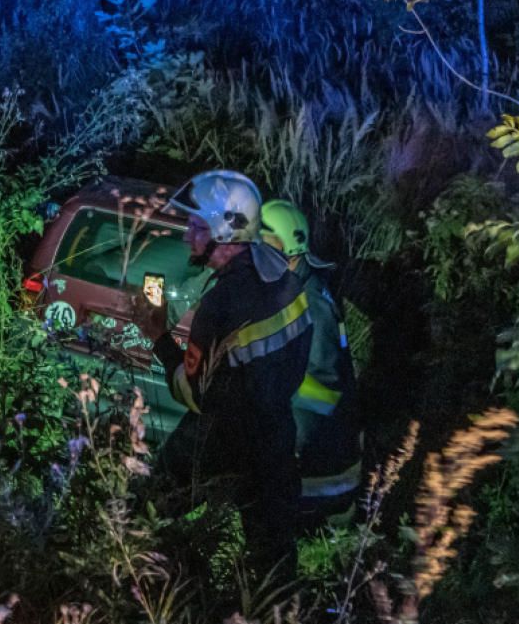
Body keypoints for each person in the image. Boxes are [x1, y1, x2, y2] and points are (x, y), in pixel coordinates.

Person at [134, 170, 313, 576]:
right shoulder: (283, 274)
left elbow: (195, 394)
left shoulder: (221, 306)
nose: (186, 237)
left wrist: (159, 336)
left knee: (144, 513)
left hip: (220, 436)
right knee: (274, 561)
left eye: (196, 227)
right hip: (275, 434)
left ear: (224, 234)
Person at [259, 200, 362, 525]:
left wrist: (286, 440)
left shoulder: (312, 302)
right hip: (318, 461)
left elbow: (322, 386)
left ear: (285, 248)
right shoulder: (298, 289)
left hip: (323, 473)